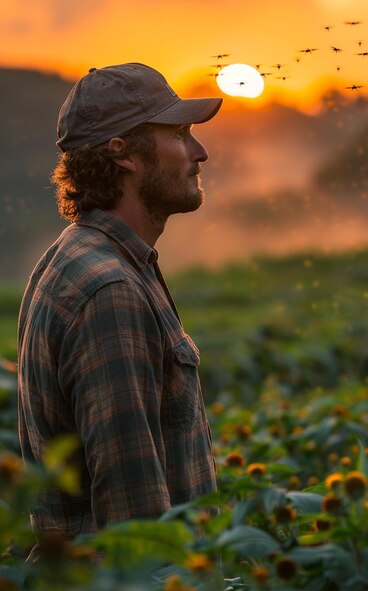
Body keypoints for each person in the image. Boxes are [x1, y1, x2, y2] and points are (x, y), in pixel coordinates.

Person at [17, 62, 223, 539]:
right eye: (180, 134)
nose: (200, 152)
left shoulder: (80, 257)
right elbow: (138, 531)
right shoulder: (109, 292)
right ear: (123, 154)